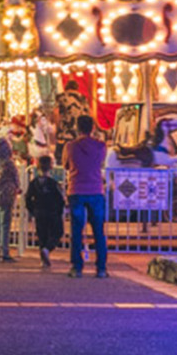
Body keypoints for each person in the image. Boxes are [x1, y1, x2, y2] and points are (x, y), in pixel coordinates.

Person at [63, 113, 108, 278]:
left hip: (76, 190)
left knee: (76, 230)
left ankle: (77, 267)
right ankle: (101, 268)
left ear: (77, 128)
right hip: (96, 190)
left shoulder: (71, 146)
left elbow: (66, 164)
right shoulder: (101, 146)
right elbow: (101, 162)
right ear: (93, 128)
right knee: (98, 231)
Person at [25, 154, 67, 268]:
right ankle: (47, 250)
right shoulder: (53, 183)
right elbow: (60, 199)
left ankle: (43, 258)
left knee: (42, 235)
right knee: (57, 232)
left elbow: (28, 197)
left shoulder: (34, 183)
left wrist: (32, 210)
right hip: (52, 212)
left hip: (39, 211)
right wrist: (60, 210)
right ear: (51, 167)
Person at [0, 137, 21, 263]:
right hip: (5, 196)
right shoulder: (9, 163)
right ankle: (5, 252)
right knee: (5, 225)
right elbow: (16, 178)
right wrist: (18, 188)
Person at [55, 79, 92, 163]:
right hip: (79, 133)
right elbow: (89, 112)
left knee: (61, 158)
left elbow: (56, 112)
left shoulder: (61, 97)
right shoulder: (82, 97)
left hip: (65, 132)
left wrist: (58, 127)